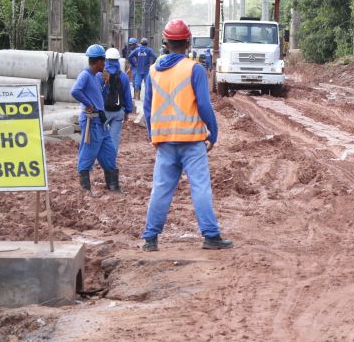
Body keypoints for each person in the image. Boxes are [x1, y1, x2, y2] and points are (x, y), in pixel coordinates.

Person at [141, 19, 233, 251]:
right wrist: (213, 132)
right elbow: (204, 105)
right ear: (188, 42)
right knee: (200, 187)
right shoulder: (195, 69)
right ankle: (210, 236)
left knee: (161, 189)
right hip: (192, 141)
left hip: (164, 141)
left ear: (165, 43)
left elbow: (147, 106)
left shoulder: (153, 71)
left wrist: (154, 135)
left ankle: (150, 238)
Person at [70, 44, 121, 195]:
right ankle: (85, 190)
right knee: (88, 154)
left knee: (110, 153)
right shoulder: (85, 75)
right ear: (98, 61)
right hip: (91, 122)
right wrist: (88, 104)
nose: (105, 64)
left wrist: (105, 84)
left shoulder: (95, 77)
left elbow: (100, 99)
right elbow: (75, 91)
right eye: (103, 61)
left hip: (101, 122)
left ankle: (113, 186)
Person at [101, 47, 134, 153]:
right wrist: (128, 111)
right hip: (118, 112)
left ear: (106, 60)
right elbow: (127, 95)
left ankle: (102, 159)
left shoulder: (100, 75)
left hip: (103, 112)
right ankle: (111, 162)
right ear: (118, 60)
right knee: (114, 138)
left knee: (100, 136)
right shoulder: (123, 76)